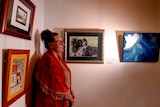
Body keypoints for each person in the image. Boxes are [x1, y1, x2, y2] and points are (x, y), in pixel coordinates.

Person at [34, 29, 75, 107]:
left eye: (62, 41)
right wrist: (68, 96)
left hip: (59, 100)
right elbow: (54, 84)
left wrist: (70, 90)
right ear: (50, 45)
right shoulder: (48, 60)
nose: (63, 44)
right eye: (59, 42)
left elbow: (63, 79)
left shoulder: (57, 58)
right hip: (51, 102)